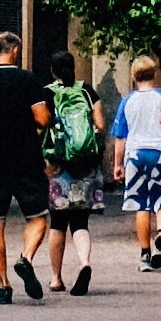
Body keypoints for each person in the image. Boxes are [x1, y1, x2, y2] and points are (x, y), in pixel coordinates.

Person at [0, 36, 55, 299]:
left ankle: (3, 286)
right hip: (27, 159)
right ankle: (25, 258)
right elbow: (42, 119)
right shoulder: (28, 80)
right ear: (15, 51)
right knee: (37, 217)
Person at [45, 53, 106, 296]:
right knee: (81, 221)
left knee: (58, 222)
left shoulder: (48, 93)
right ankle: (84, 263)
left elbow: (41, 126)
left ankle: (56, 278)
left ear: (53, 71)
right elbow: (100, 125)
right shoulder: (87, 91)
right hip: (86, 164)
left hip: (59, 165)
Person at [118, 61, 161, 267]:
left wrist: (118, 164)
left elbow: (120, 136)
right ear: (154, 75)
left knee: (141, 204)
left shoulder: (127, 101)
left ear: (134, 77)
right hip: (160, 153)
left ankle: (145, 254)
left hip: (135, 155)